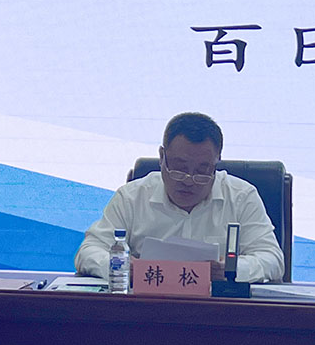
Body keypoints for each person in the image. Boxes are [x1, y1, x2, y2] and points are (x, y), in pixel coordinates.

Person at [74, 112, 284, 283]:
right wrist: (123, 266)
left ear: (217, 162)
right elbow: (89, 251)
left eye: (202, 171)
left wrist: (230, 270)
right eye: (179, 169)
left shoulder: (241, 197)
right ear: (161, 157)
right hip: (147, 309)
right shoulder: (132, 197)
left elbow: (272, 258)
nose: (189, 180)